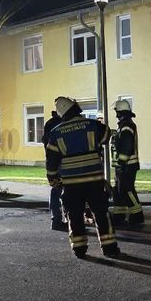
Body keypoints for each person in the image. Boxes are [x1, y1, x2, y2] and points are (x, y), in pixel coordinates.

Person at [45, 96, 120, 259]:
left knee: (74, 214)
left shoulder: (56, 132)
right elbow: (107, 135)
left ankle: (79, 248)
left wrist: (53, 180)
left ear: (61, 113)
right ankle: (110, 248)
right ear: (76, 108)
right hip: (94, 180)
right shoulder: (92, 125)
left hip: (71, 183)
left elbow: (51, 161)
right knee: (101, 213)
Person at [109, 100, 144, 227]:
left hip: (127, 165)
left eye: (116, 112)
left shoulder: (127, 126)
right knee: (118, 192)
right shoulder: (124, 125)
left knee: (127, 191)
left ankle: (137, 215)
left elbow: (127, 146)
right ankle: (119, 216)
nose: (116, 114)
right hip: (123, 165)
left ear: (120, 112)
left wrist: (121, 162)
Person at [42, 108, 68, 232]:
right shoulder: (61, 125)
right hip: (63, 162)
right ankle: (66, 218)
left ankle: (56, 219)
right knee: (65, 190)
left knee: (56, 190)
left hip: (54, 162)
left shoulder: (49, 123)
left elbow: (46, 142)